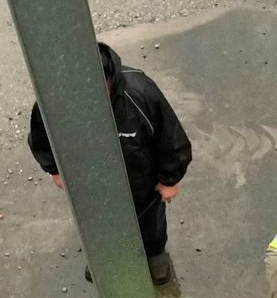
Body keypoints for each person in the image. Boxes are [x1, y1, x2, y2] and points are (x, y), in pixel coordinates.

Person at [25, 39, 190, 284]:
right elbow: (41, 136)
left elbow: (171, 138)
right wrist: (55, 169)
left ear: (108, 79)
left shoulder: (140, 92)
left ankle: (154, 253)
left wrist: (169, 179)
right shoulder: (53, 99)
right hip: (91, 189)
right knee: (97, 226)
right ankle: (105, 256)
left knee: (150, 223)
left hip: (141, 187)